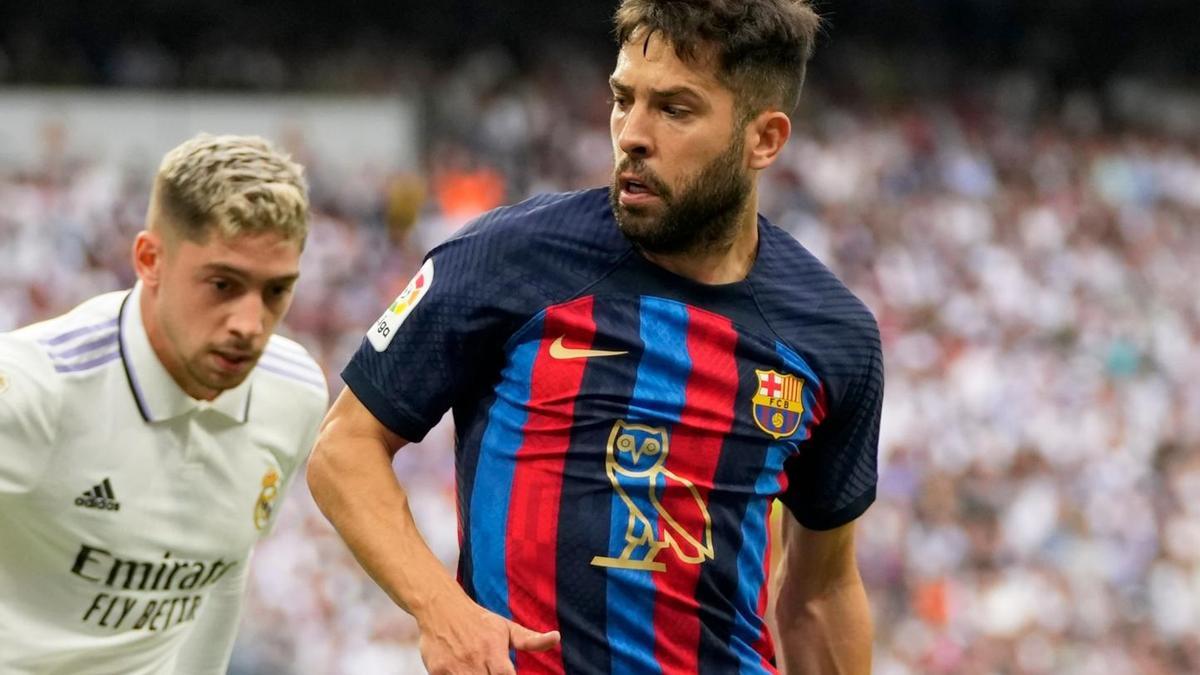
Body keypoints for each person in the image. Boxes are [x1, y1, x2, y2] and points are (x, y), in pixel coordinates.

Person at [308, 0, 881, 672]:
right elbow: (343, 448)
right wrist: (443, 610)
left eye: (675, 109)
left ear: (765, 139)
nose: (632, 134)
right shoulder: (506, 257)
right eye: (622, 98)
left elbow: (821, 591)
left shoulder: (831, 335)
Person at [0, 133, 328, 674]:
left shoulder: (293, 391)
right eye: (223, 284)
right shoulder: (39, 389)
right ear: (150, 259)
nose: (250, 325)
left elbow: (224, 563)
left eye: (275, 292)